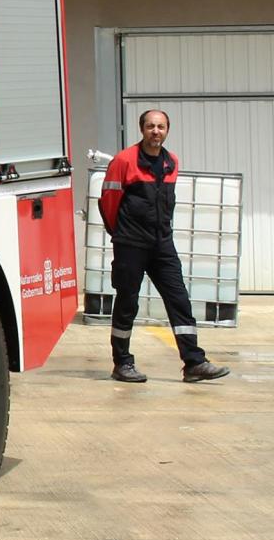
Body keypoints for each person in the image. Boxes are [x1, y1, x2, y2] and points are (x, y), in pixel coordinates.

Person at [98, 109, 229, 383]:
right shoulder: (124, 161)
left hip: (162, 245)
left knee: (179, 299)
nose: (155, 131)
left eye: (160, 127)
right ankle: (122, 363)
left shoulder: (172, 162)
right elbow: (108, 202)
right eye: (150, 126)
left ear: (167, 130)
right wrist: (120, 234)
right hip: (131, 244)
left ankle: (194, 363)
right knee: (127, 304)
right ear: (141, 129)